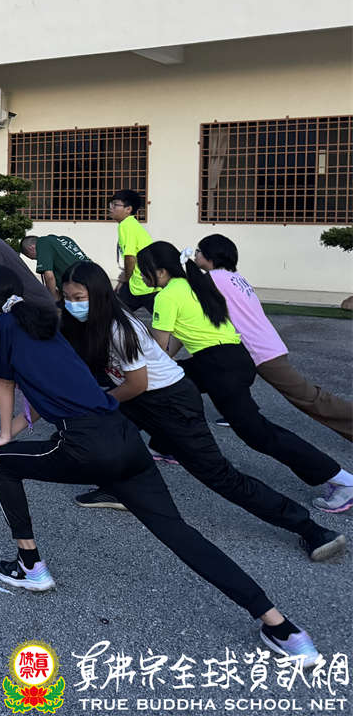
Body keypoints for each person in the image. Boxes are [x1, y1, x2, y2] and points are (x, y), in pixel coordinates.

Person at [0, 266, 321, 667]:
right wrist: (14, 430)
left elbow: (5, 383)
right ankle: (282, 627)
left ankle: (31, 566)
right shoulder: (42, 324)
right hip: (124, 440)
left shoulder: (6, 328)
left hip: (84, 444)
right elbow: (47, 393)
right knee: (180, 534)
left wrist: (3, 434)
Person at [58, 261, 345, 561]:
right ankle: (118, 489)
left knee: (219, 476)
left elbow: (136, 383)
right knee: (109, 435)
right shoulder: (87, 323)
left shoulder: (120, 329)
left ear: (100, 294)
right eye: (67, 297)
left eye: (80, 298)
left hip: (170, 401)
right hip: (142, 398)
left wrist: (100, 403)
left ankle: (311, 530)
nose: (73, 304)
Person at [137, 241, 353, 516]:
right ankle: (165, 444)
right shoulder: (193, 285)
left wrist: (135, 371)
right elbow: (181, 334)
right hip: (231, 358)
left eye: (143, 271)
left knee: (258, 433)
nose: (141, 276)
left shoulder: (167, 297)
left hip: (219, 367)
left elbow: (157, 349)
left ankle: (341, 480)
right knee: (174, 387)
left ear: (160, 271)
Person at [196, 234, 352, 451]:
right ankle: (237, 413)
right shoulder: (234, 277)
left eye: (198, 251)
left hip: (262, 351)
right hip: (266, 345)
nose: (195, 255)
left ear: (210, 255)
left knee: (310, 399)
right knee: (226, 375)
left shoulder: (214, 279)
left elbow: (189, 288)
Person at [110, 190, 156, 312]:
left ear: (128, 209)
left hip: (144, 285)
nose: (111, 208)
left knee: (116, 313)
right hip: (140, 284)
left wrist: (126, 279)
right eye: (111, 204)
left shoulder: (127, 226)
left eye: (115, 205)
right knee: (117, 313)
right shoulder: (129, 224)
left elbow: (130, 257)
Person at [20, 233, 89, 301]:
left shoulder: (42, 243)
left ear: (31, 248)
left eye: (30, 257)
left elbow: (49, 277)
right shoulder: (63, 239)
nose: (34, 259)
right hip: (92, 279)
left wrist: (53, 299)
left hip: (82, 290)